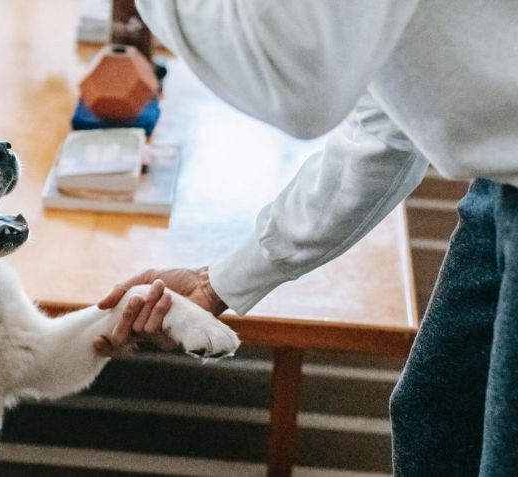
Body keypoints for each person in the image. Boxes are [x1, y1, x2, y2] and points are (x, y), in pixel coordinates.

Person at [93, 1, 518, 475]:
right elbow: (383, 127)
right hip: (500, 181)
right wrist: (218, 282)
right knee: (435, 423)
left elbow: (295, 86)